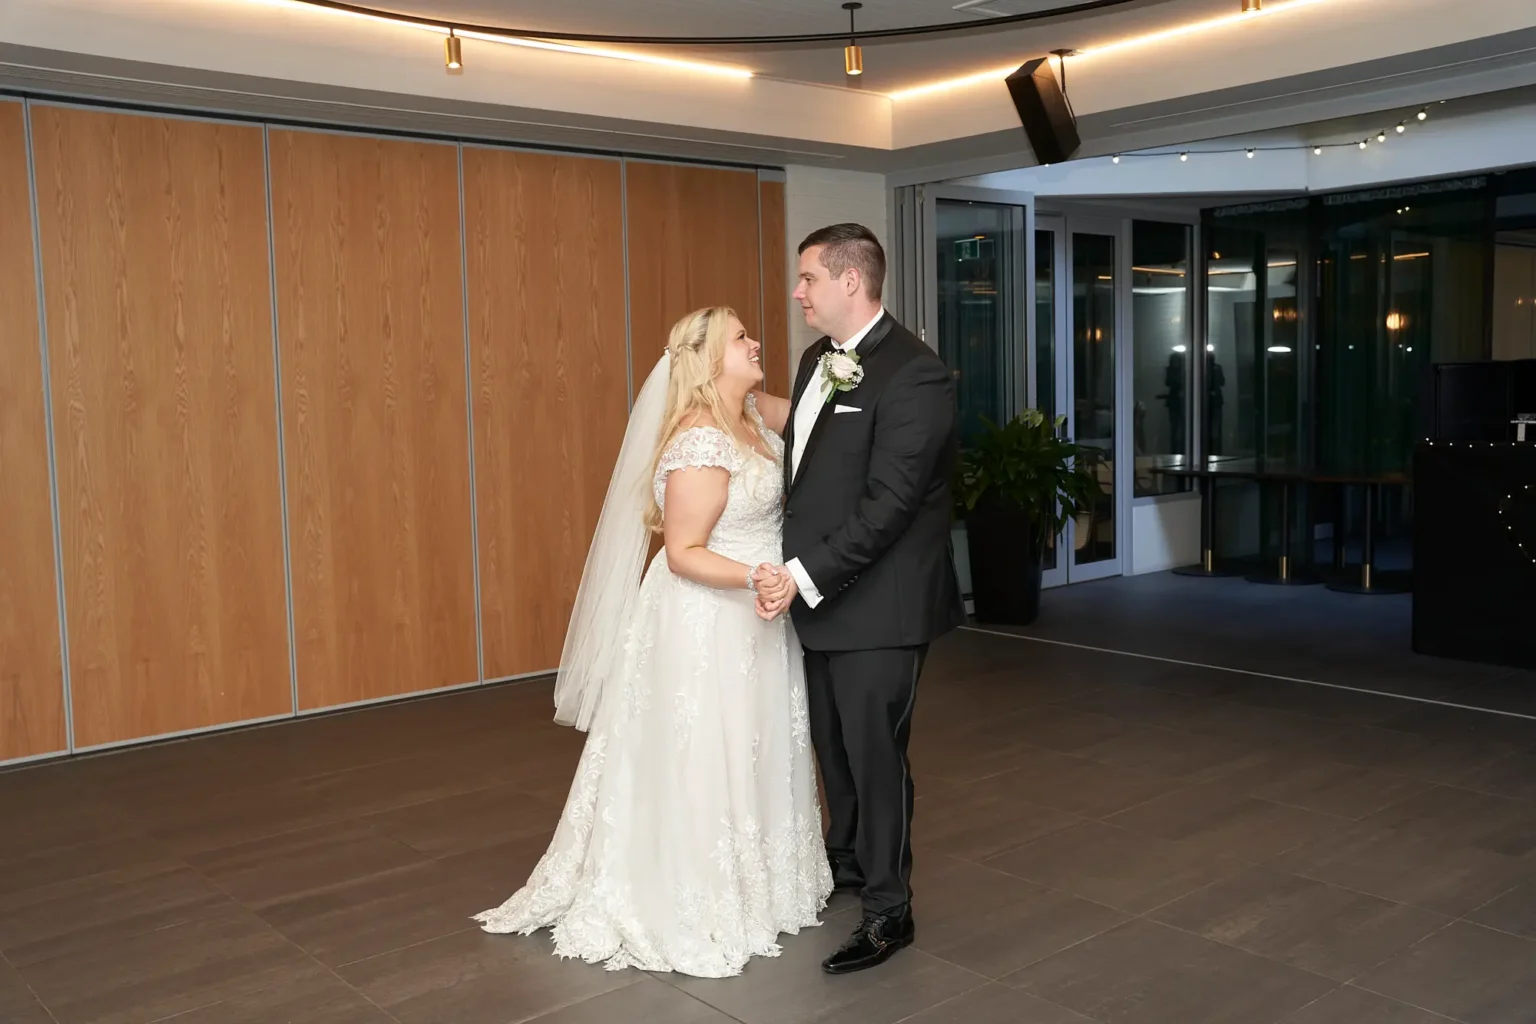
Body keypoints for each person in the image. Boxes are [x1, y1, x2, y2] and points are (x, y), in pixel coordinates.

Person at [472, 307, 832, 978]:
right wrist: (760, 575)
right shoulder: (699, 439)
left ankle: (763, 880)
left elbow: (820, 408)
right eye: (742, 339)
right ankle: (691, 891)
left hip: (760, 611)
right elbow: (685, 551)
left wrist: (855, 372)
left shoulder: (752, 414)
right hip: (712, 611)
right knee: (705, 745)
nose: (758, 343)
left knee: (751, 739)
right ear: (709, 362)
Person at [750, 223, 965, 975]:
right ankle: (844, 867)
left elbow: (888, 507)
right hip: (818, 594)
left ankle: (888, 910)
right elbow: (810, 465)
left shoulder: (918, 376)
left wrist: (800, 574)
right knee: (831, 747)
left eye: (808, 277)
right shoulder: (819, 360)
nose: (798, 291)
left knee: (876, 758)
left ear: (850, 281)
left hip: (882, 603)